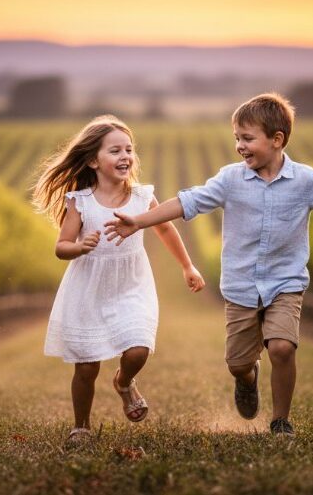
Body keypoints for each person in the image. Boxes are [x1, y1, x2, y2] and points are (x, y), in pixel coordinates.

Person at [105, 94, 313, 437]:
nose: (239, 146)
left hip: (286, 283)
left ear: (277, 139)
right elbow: (187, 202)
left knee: (282, 347)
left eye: (247, 138)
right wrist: (139, 221)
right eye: (237, 138)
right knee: (238, 363)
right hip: (241, 286)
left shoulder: (304, 181)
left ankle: (281, 421)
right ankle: (248, 378)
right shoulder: (230, 179)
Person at [33, 115, 205, 444]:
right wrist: (79, 247)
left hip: (131, 285)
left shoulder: (142, 197)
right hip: (89, 289)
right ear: (93, 161)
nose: (125, 156)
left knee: (138, 349)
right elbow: (61, 247)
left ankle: (124, 382)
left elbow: (165, 229)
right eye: (115, 151)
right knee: (86, 367)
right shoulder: (80, 202)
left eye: (129, 149)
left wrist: (188, 266)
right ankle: (81, 426)